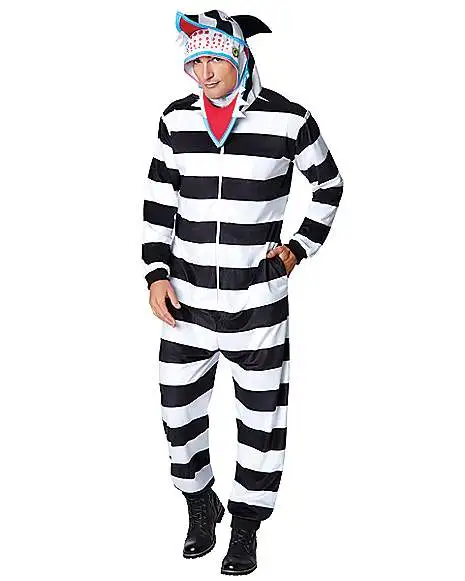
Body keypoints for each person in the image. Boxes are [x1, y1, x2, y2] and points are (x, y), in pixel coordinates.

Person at [142, 9, 344, 576]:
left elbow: (329, 184)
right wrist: (155, 272)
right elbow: (159, 200)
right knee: (178, 412)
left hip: (257, 301)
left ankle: (247, 527)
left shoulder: (289, 119)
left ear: (240, 58)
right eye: (195, 63)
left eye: (214, 60)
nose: (204, 73)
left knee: (261, 420)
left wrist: (298, 248)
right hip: (185, 302)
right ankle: (199, 504)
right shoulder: (175, 120)